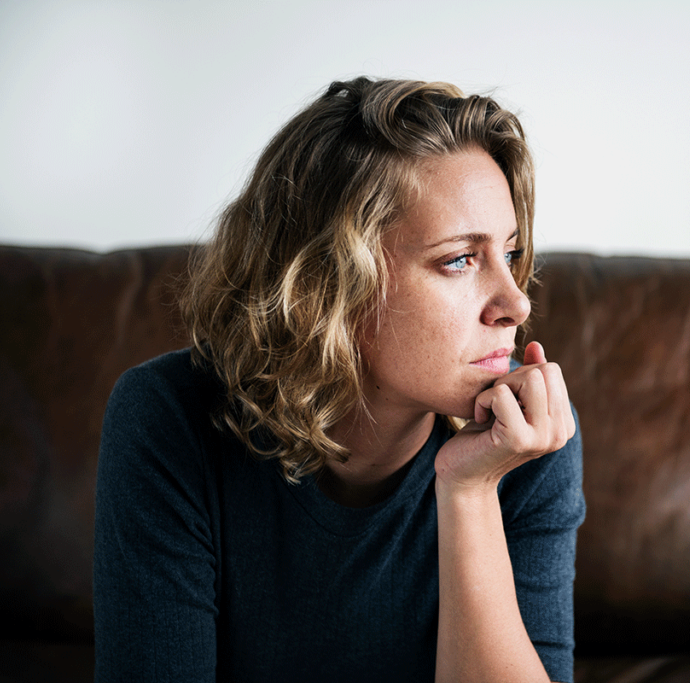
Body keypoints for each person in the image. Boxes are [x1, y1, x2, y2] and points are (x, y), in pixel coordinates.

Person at [93, 76, 584, 683]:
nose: (516, 303)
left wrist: (470, 493)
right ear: (328, 285)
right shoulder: (168, 418)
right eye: (459, 259)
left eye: (509, 255)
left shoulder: (526, 435)